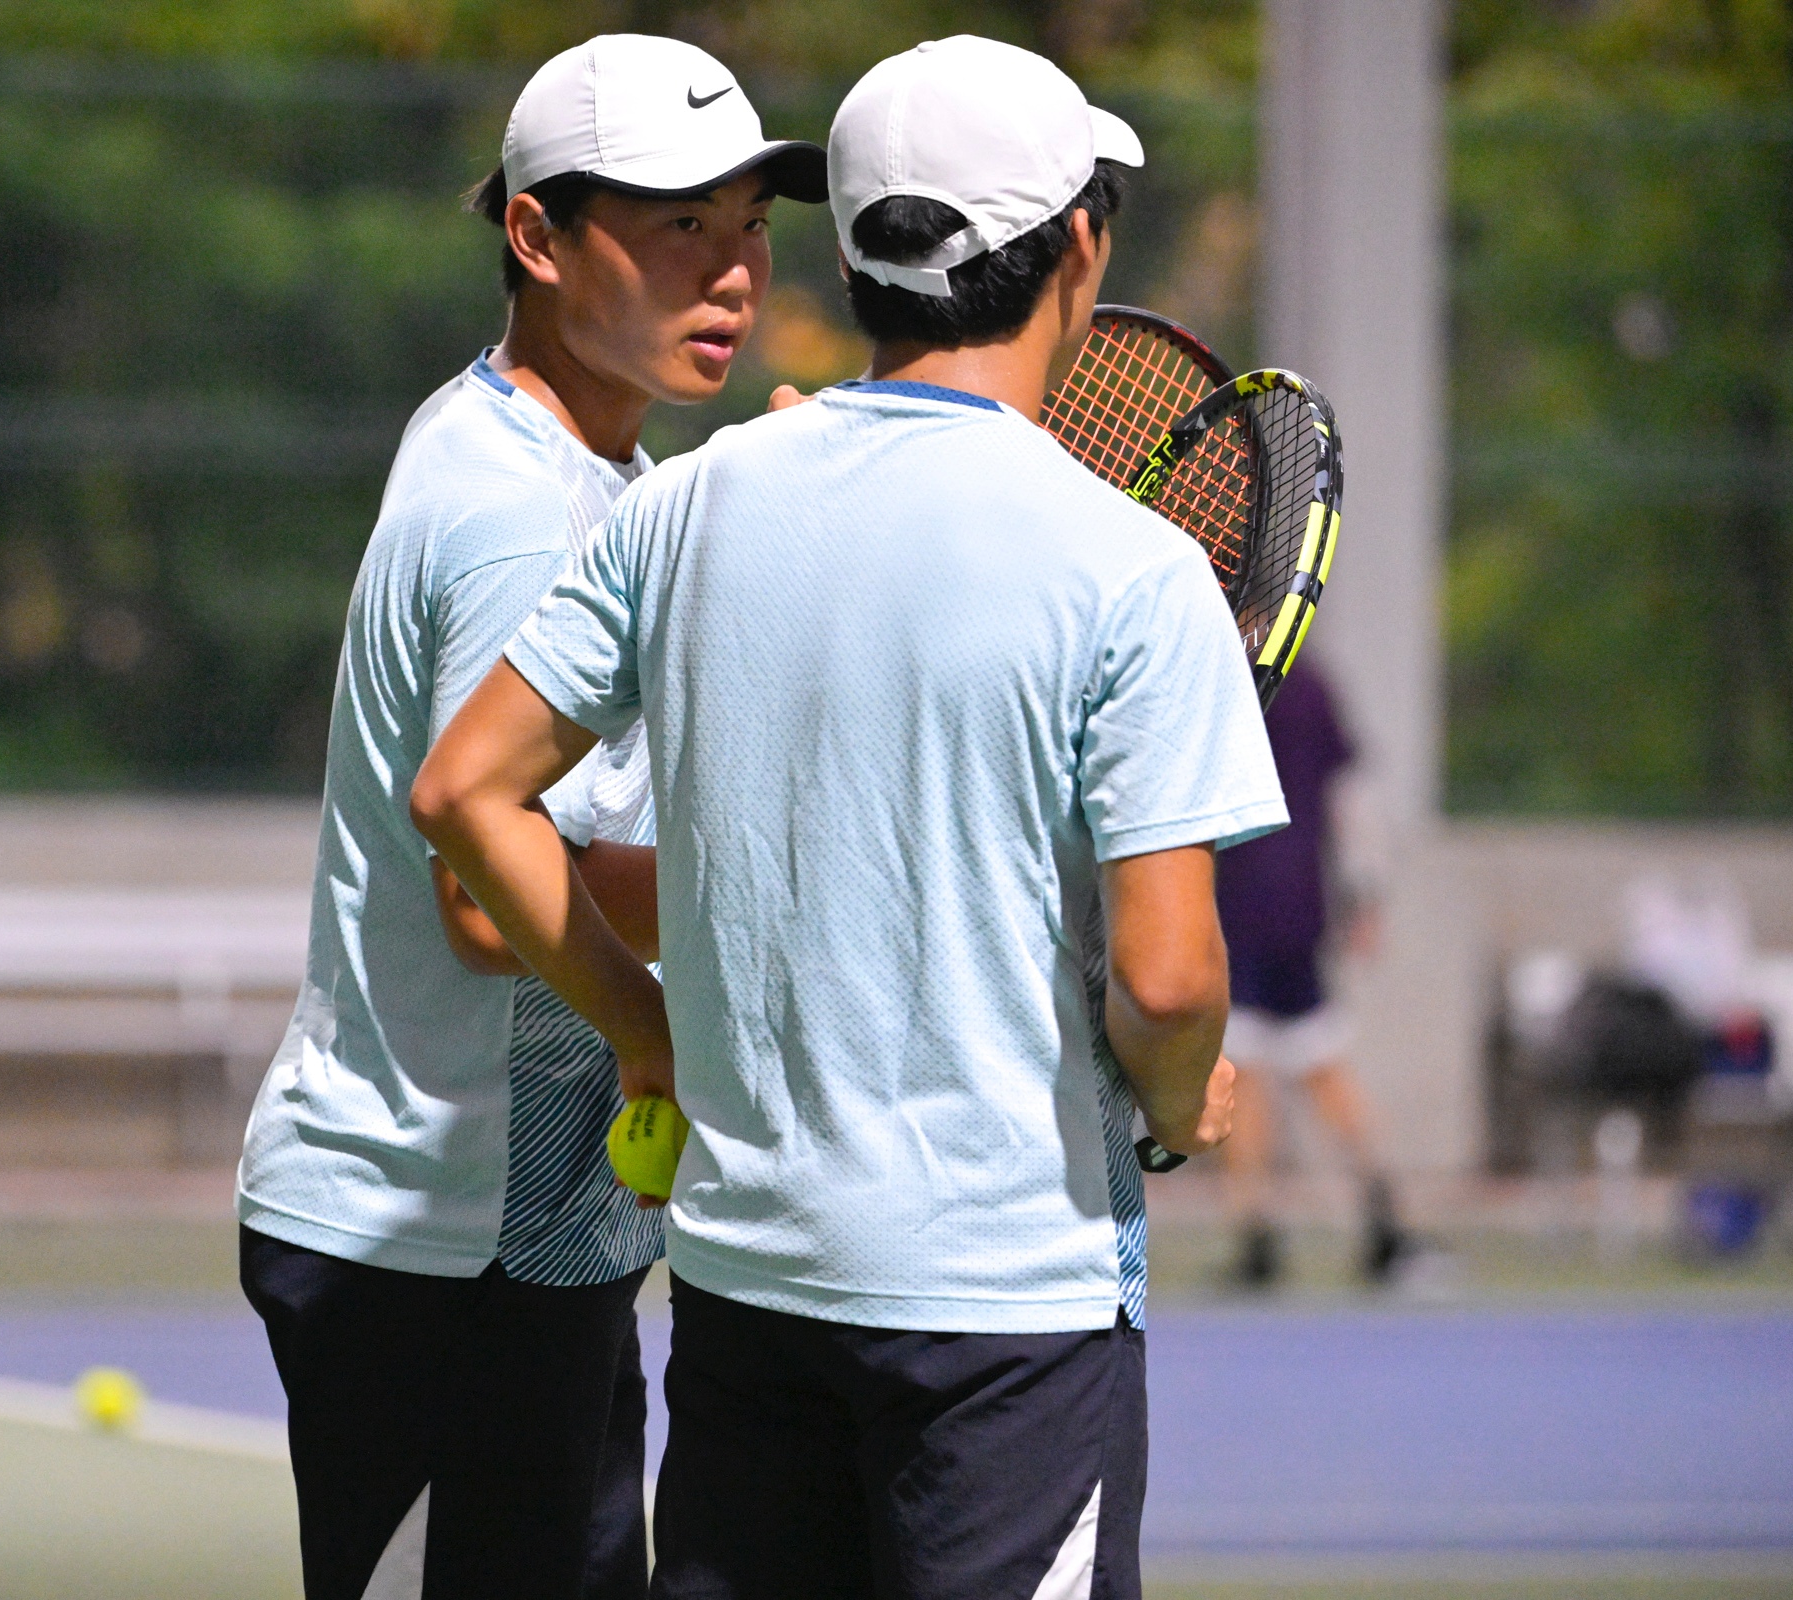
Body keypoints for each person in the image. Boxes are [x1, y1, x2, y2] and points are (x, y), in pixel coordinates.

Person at [411, 36, 1284, 1599]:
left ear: (856, 253)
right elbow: (1167, 987)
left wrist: (644, 1027)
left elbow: (464, 793)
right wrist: (1179, 1098)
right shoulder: (1133, 572)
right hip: (1011, 1320)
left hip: (745, 1297)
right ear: (1080, 246)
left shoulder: (688, 503)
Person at [233, 36, 824, 1600]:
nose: (732, 273)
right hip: (437, 1251)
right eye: (678, 227)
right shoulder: (523, 511)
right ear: (537, 237)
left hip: (517, 1240)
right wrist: (714, 959)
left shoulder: (551, 456)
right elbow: (483, 895)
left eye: (750, 226)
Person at [1212, 658, 1419, 1287]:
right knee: (1307, 1065)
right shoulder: (1303, 685)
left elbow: (1347, 801)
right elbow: (1352, 802)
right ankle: (1374, 1218)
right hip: (1290, 907)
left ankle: (1264, 1233)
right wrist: (1365, 897)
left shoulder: (1226, 680)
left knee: (1256, 1072)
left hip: (1244, 907)